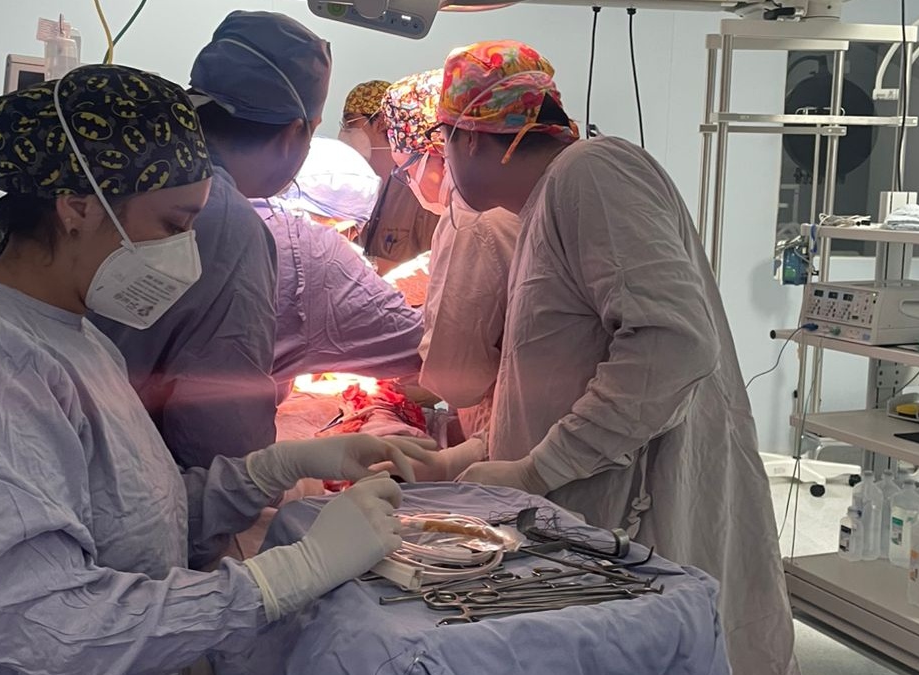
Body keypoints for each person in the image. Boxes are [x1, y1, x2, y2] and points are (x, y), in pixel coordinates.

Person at [0, 64, 437, 675]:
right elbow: (44, 625)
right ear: (77, 207)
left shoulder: (76, 334)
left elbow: (134, 520)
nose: (186, 254)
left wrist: (278, 467)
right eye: (172, 225)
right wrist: (289, 574)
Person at [437, 41, 798, 675]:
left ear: (467, 137)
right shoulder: (545, 206)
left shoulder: (592, 173)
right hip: (587, 521)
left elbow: (672, 344)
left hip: (639, 519)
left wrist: (536, 471)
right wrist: (468, 456)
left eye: (439, 145)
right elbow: (558, 372)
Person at [90, 11, 330, 469]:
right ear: (295, 133)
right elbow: (223, 440)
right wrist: (283, 475)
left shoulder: (125, 165)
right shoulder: (224, 221)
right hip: (111, 481)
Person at [381, 70, 522, 444]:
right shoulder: (518, 195)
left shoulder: (472, 219)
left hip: (517, 431)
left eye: (406, 170)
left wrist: (396, 374)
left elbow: (457, 381)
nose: (407, 182)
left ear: (439, 150)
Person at [253, 136, 423, 398]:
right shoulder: (317, 252)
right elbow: (424, 348)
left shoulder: (241, 213)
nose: (351, 240)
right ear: (342, 224)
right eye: (351, 231)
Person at [338, 80, 440, 273]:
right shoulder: (357, 190)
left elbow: (435, 268)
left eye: (350, 123)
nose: (342, 133)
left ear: (380, 123)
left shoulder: (420, 192)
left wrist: (364, 266)